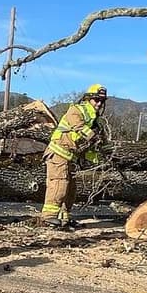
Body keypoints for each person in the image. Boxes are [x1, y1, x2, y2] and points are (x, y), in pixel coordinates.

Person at [37, 83, 108, 228]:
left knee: (71, 189)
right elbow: (79, 127)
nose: (99, 103)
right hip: (58, 153)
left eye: (102, 101)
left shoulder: (96, 121)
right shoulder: (76, 110)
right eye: (96, 100)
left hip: (72, 158)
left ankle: (64, 218)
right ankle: (48, 217)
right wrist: (93, 136)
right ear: (88, 99)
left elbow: (95, 144)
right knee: (59, 183)